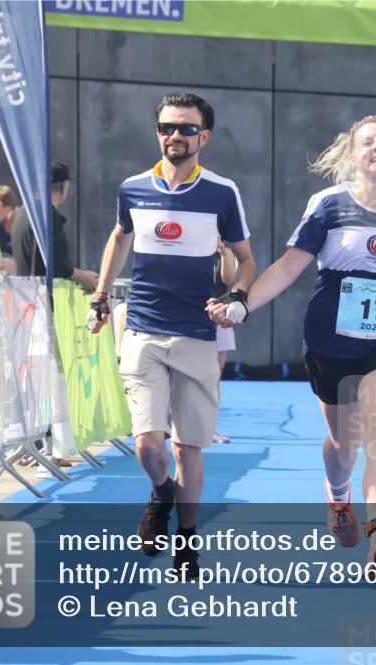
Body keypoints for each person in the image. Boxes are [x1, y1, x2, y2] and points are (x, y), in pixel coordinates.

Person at [209, 115, 376, 569]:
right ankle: (337, 496)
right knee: (343, 442)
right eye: (367, 143)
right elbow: (288, 267)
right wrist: (243, 304)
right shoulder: (328, 204)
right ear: (353, 156)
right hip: (330, 338)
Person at [87, 92, 256, 576]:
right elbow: (120, 237)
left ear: (204, 136)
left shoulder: (222, 193)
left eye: (185, 128)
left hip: (199, 335)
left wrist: (238, 298)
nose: (174, 136)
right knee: (147, 445)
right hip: (141, 329)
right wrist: (100, 296)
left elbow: (246, 260)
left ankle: (186, 538)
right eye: (166, 127)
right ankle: (162, 494)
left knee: (187, 447)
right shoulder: (133, 188)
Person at [12, 161, 98, 291]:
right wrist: (83, 277)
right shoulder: (48, 216)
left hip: (24, 297)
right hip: (43, 300)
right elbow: (56, 265)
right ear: (63, 187)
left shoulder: (23, 213)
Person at [211, 238, 237, 444]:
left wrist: (223, 251)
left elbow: (229, 279)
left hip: (218, 316)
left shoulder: (225, 251)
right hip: (189, 316)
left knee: (213, 377)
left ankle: (209, 426)